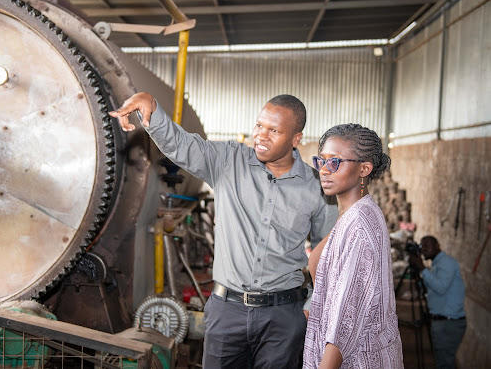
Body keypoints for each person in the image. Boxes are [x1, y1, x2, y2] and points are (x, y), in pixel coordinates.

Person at [109, 92, 337, 368]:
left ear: (296, 139)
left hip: (283, 316)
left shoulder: (315, 188)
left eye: (273, 130)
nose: (261, 136)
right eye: (259, 126)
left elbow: (329, 252)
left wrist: (312, 305)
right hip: (228, 311)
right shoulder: (228, 160)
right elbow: (182, 146)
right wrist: (152, 109)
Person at [303, 123, 404, 369]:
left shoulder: (358, 226)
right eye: (321, 161)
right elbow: (317, 264)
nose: (324, 170)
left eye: (335, 162)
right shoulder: (355, 214)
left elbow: (343, 326)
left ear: (364, 168)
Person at [409, 235, 466, 369]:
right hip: (442, 321)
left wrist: (422, 269)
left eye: (428, 245)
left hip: (449, 323)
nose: (424, 249)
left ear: (438, 246)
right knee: (443, 362)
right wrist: (419, 275)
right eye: (422, 246)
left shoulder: (446, 263)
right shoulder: (436, 265)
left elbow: (440, 288)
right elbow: (431, 290)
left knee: (445, 363)